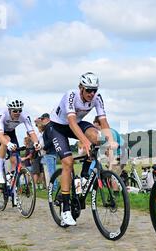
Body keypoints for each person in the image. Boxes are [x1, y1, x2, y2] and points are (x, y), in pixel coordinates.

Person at [44, 72, 118, 226]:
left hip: (76, 124)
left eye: (94, 90)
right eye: (88, 90)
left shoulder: (97, 98)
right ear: (81, 88)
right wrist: (84, 142)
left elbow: (103, 121)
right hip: (58, 127)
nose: (92, 93)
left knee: (97, 137)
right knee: (68, 162)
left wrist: (111, 140)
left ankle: (84, 176)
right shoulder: (70, 96)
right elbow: (71, 122)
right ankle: (65, 209)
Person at [0, 99, 41, 184]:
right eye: (15, 111)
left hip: (11, 131)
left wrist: (36, 142)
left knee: (15, 158)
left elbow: (31, 132)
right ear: (9, 110)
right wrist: (7, 143)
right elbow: (0, 135)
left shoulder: (24, 116)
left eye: (20, 110)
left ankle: (11, 179)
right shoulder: (2, 114)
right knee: (6, 141)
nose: (18, 113)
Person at [39, 113, 57, 189]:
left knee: (51, 171)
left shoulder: (49, 127)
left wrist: (44, 148)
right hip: (53, 152)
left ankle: (54, 187)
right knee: (53, 171)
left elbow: (51, 140)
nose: (42, 120)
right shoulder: (50, 127)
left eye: (43, 119)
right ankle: (54, 186)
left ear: (47, 118)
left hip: (50, 152)